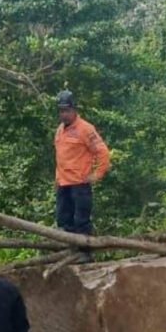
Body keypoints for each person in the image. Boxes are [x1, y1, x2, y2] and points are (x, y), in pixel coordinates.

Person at [53, 89, 110, 262]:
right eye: (61, 111)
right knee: (64, 220)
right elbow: (60, 157)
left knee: (81, 221)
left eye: (67, 110)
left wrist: (97, 174)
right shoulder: (60, 130)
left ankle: (84, 254)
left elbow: (102, 152)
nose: (64, 114)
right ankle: (69, 253)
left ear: (74, 109)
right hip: (63, 184)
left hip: (80, 184)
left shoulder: (85, 129)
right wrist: (57, 179)